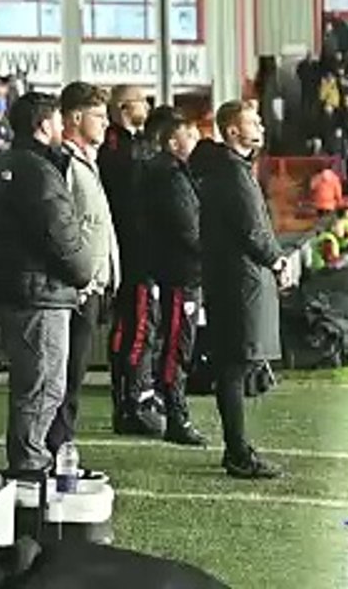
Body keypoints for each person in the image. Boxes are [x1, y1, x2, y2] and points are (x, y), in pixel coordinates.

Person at [0, 92, 93, 474]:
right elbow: (59, 234)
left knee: (33, 382)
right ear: (45, 125)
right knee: (43, 384)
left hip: (21, 287)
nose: (63, 129)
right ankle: (30, 463)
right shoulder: (38, 171)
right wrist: (85, 271)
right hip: (40, 292)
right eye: (59, 121)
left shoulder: (10, 163)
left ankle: (29, 458)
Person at [197, 100, 286, 479]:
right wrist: (277, 260)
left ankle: (237, 447)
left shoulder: (229, 169)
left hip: (233, 277)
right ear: (232, 131)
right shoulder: (232, 174)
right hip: (238, 279)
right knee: (233, 365)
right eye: (253, 121)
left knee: (235, 363)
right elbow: (252, 230)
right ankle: (237, 451)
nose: (261, 127)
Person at [46, 83, 118, 467]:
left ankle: (62, 446)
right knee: (65, 376)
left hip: (92, 284)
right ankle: (55, 449)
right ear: (75, 117)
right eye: (98, 116)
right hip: (76, 287)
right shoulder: (66, 164)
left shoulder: (88, 161)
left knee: (74, 376)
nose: (106, 123)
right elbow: (67, 227)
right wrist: (80, 278)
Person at [97, 84, 164, 435]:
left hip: (138, 252)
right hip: (133, 254)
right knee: (137, 327)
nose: (148, 106)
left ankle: (135, 397)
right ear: (125, 107)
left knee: (137, 326)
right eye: (142, 101)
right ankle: (132, 401)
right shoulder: (119, 150)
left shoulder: (132, 146)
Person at [140, 110, 207, 446]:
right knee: (177, 345)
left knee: (176, 342)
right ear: (172, 142)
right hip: (180, 273)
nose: (195, 142)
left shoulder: (173, 173)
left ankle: (171, 408)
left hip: (179, 271)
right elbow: (188, 229)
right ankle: (176, 414)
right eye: (189, 136)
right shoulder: (169, 177)